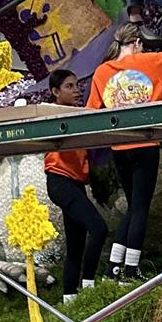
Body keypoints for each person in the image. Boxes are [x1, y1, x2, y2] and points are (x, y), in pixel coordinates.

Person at [87, 23, 162, 279]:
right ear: (137, 44)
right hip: (146, 144)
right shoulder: (151, 61)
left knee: (133, 207)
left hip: (119, 147)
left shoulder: (102, 72)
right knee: (141, 208)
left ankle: (113, 266)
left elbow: (91, 111)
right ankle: (132, 269)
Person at [44, 67, 109, 301]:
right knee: (99, 228)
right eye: (69, 86)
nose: (77, 90)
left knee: (75, 246)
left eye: (77, 85)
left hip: (76, 183)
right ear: (55, 92)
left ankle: (69, 299)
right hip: (60, 181)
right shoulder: (51, 114)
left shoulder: (81, 114)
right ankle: (89, 286)